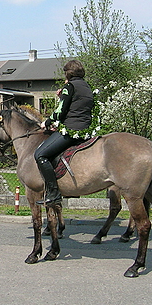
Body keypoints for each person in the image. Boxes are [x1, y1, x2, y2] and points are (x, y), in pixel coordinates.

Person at [34, 59, 93, 205]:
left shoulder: (70, 86)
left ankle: (53, 193)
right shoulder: (87, 86)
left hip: (72, 130)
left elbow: (61, 111)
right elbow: (76, 108)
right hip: (85, 130)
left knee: (40, 154)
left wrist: (47, 122)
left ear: (68, 73)